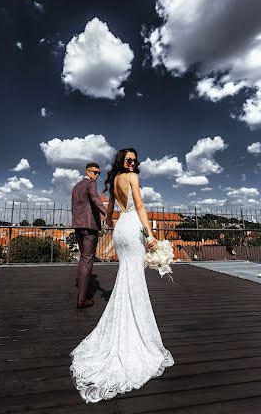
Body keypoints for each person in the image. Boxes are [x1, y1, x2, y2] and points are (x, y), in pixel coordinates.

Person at [70, 148, 174, 403]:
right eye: (128, 160)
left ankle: (125, 320)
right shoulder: (133, 178)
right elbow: (139, 204)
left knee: (127, 276)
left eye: (135, 160)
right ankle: (136, 330)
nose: (132, 163)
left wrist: (109, 224)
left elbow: (111, 208)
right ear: (122, 161)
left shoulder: (114, 179)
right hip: (133, 229)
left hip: (120, 231)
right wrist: (150, 235)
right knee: (134, 277)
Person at [71, 162, 108, 309]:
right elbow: (95, 198)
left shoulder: (76, 186)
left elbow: (73, 206)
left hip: (78, 226)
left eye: (99, 173)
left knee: (83, 259)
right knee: (88, 259)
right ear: (88, 171)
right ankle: (82, 299)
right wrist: (106, 212)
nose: (97, 175)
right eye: (95, 172)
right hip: (89, 227)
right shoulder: (90, 183)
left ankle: (81, 292)